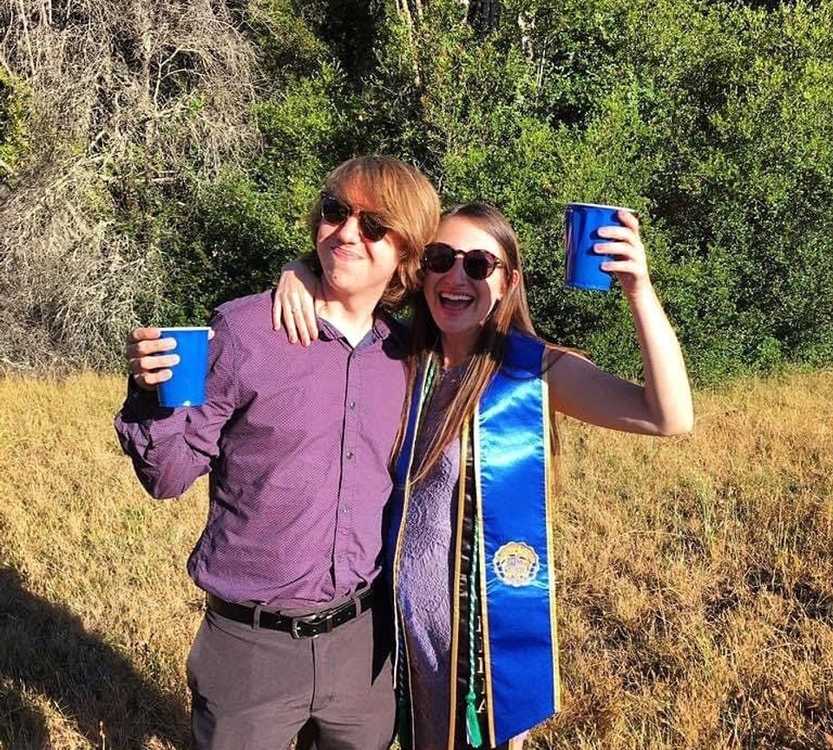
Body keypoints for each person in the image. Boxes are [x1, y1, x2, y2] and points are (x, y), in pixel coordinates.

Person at [274, 201, 693, 749]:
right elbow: (346, 280)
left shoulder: (529, 371)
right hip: (390, 631)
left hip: (475, 638)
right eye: (442, 258)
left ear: (508, 281)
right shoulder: (395, 355)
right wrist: (299, 272)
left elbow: (668, 416)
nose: (456, 276)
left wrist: (639, 291)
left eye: (478, 264)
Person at [113, 156, 441, 750]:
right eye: (336, 212)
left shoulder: (411, 353)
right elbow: (167, 475)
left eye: (373, 226)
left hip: (364, 648)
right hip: (249, 651)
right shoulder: (244, 332)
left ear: (406, 253)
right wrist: (151, 393)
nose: (346, 233)